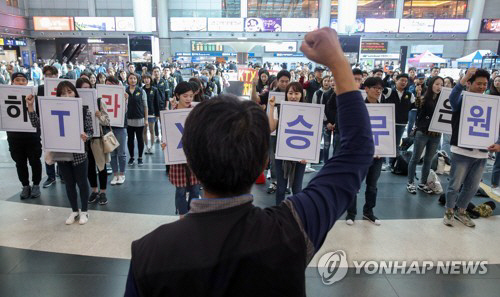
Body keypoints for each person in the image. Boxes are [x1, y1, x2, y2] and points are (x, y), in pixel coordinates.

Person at [124, 27, 373, 296]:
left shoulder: (148, 253)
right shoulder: (292, 228)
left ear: (191, 160)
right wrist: (338, 63)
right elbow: (357, 151)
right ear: (262, 162)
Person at [27, 81, 94, 225]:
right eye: (63, 93)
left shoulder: (83, 110)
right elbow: (38, 125)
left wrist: (85, 136)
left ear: (75, 92)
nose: (67, 95)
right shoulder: (51, 110)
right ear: (58, 95)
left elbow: (90, 130)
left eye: (70, 92)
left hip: (79, 154)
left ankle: (85, 211)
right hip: (62, 154)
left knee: (82, 183)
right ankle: (74, 210)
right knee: (69, 184)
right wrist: (31, 107)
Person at [444, 68, 493, 228]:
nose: (482, 87)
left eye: (485, 84)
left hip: (481, 153)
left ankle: (461, 211)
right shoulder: (461, 99)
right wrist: (464, 77)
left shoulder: (490, 102)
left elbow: (495, 125)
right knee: (455, 185)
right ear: (469, 84)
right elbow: (452, 97)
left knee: (472, 186)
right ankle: (449, 211)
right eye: (478, 83)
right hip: (461, 150)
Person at [346, 77, 385, 226]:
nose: (378, 91)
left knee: (372, 185)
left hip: (377, 154)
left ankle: (369, 212)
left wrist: (383, 148)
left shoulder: (384, 109)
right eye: (375, 87)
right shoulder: (358, 107)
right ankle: (351, 213)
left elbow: (386, 133)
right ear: (366, 89)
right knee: (355, 184)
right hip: (360, 154)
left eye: (380, 88)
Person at [162, 81, 201, 217]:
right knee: (180, 190)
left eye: (191, 96)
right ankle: (182, 216)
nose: (189, 99)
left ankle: (192, 214)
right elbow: (167, 137)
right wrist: (164, 145)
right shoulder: (170, 115)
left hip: (194, 158)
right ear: (177, 95)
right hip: (177, 158)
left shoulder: (196, 112)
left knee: (196, 189)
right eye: (185, 96)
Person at [268, 82, 308, 205]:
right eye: (290, 93)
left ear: (301, 95)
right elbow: (271, 128)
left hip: (301, 155)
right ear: (286, 95)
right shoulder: (279, 108)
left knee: (297, 188)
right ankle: (279, 214)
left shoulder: (309, 110)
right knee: (281, 187)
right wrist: (271, 107)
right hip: (282, 152)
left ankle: (298, 214)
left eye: (296, 93)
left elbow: (312, 135)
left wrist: (308, 155)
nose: (293, 96)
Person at [252, 70, 291, 194]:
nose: (284, 84)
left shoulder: (294, 93)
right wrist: (253, 86)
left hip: (290, 131)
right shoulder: (271, 94)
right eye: (282, 81)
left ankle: (286, 183)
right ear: (277, 81)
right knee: (274, 157)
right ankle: (275, 181)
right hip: (273, 131)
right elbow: (256, 99)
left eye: (286, 81)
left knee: (288, 157)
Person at [7, 73, 43, 199]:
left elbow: (39, 118)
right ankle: (25, 185)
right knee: (20, 163)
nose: (21, 83)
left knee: (35, 161)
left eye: (23, 80)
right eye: (17, 80)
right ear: (12, 82)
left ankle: (36, 185)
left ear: (27, 82)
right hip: (14, 137)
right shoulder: (4, 96)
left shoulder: (34, 97)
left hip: (32, 136)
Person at [406, 76, 444, 195]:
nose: (439, 87)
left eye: (441, 85)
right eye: (437, 84)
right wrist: (417, 94)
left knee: (428, 160)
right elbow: (418, 104)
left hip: (436, 134)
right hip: (422, 132)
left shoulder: (443, 101)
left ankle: (422, 182)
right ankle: (410, 182)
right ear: (431, 84)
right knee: (415, 158)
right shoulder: (424, 98)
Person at [76, 78, 110, 206]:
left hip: (96, 139)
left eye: (87, 88)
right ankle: (94, 190)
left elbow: (107, 120)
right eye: (82, 88)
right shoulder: (75, 101)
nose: (85, 91)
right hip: (83, 140)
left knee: (101, 166)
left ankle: (103, 192)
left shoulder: (98, 101)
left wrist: (99, 115)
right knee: (88, 167)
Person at [381, 73, 415, 164]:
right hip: (388, 121)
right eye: (402, 80)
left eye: (406, 81)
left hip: (401, 122)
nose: (404, 82)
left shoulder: (409, 94)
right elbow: (381, 85)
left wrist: (403, 112)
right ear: (396, 80)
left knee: (396, 144)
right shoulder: (389, 91)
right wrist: (388, 75)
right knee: (385, 142)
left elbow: (413, 106)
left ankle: (393, 162)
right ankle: (383, 162)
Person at [106, 76, 128, 185]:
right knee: (112, 153)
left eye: (111, 84)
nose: (109, 86)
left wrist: (125, 99)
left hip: (120, 128)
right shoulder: (103, 96)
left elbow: (125, 111)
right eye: (107, 84)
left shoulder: (121, 95)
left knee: (121, 153)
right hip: (108, 128)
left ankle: (122, 174)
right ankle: (115, 174)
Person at [126, 73, 148, 166]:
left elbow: (145, 106)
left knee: (140, 139)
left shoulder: (141, 91)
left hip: (140, 119)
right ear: (128, 80)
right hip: (129, 120)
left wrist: (146, 119)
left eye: (134, 78)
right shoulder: (124, 91)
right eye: (131, 78)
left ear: (137, 80)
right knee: (130, 139)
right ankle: (131, 157)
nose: (133, 80)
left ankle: (140, 157)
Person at [142, 74, 160, 155]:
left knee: (152, 130)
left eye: (148, 78)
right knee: (144, 131)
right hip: (143, 114)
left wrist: (157, 114)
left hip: (152, 113)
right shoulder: (141, 89)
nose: (146, 80)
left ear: (150, 79)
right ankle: (146, 146)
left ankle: (152, 146)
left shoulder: (155, 90)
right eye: (145, 78)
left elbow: (157, 102)